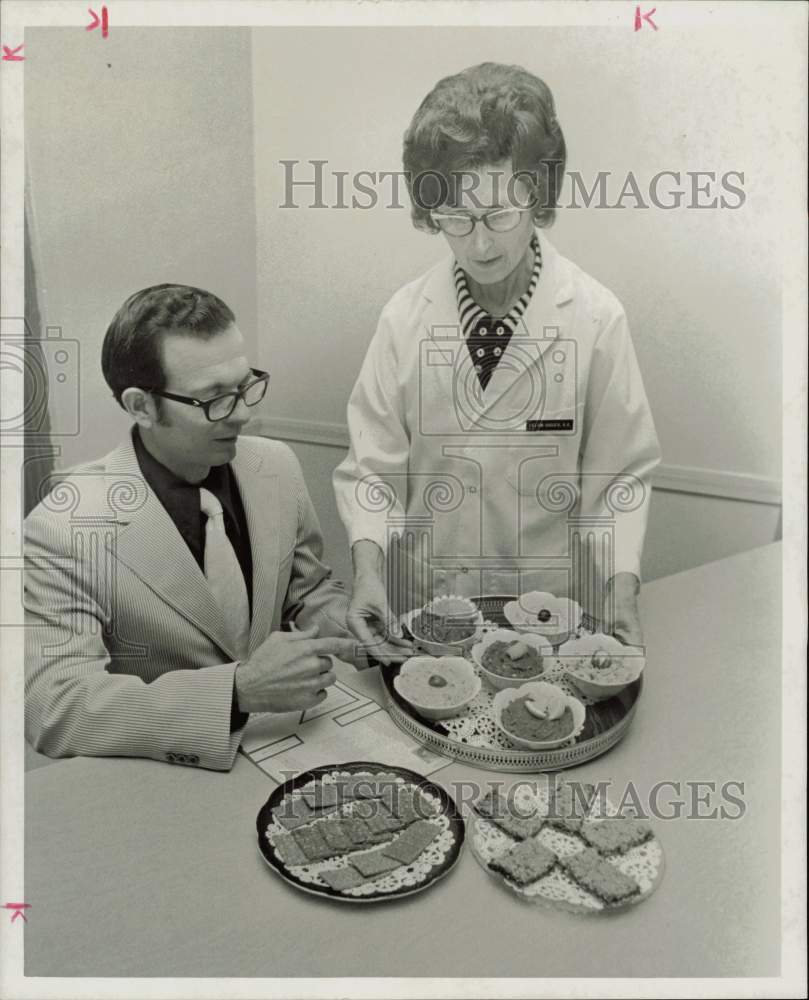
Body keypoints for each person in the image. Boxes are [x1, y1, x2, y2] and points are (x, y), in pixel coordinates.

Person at [333, 62, 661, 663]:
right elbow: (371, 471)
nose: (479, 244)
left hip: (552, 610)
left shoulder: (594, 317)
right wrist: (368, 573)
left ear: (537, 196)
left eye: (499, 215)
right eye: (455, 219)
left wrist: (622, 590)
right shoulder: (404, 318)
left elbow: (618, 483)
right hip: (424, 607)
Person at [25, 284, 357, 770]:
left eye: (246, 385)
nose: (245, 413)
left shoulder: (276, 466)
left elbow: (305, 593)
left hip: (288, 747)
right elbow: (55, 706)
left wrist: (356, 631)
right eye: (214, 399)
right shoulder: (63, 530)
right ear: (141, 406)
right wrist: (236, 692)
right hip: (162, 776)